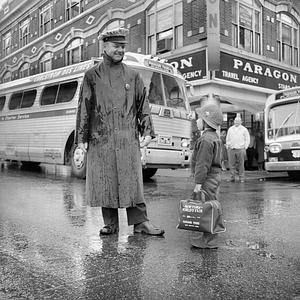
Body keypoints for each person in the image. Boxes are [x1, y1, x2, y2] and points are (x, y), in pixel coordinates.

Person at [75, 27, 164, 236]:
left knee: (132, 181)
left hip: (127, 138)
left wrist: (148, 131)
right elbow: (84, 106)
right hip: (101, 138)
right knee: (107, 180)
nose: (120, 50)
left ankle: (140, 222)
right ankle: (111, 224)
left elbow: (143, 104)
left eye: (123, 46)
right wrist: (81, 138)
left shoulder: (133, 76)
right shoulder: (91, 75)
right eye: (116, 46)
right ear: (104, 46)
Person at [189, 103, 223, 249]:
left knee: (205, 208)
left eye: (199, 118)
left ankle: (206, 242)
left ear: (206, 121)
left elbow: (203, 164)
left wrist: (198, 183)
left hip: (207, 179)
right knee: (211, 206)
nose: (197, 121)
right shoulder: (215, 137)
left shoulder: (205, 140)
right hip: (214, 177)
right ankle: (210, 240)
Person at [226, 114, 250, 182]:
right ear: (234, 121)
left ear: (241, 122)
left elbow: (247, 139)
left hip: (240, 149)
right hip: (232, 149)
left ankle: (241, 178)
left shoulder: (244, 129)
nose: (236, 122)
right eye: (235, 121)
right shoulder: (230, 129)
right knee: (231, 164)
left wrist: (245, 147)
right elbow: (227, 138)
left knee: (241, 164)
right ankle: (232, 177)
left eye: (238, 121)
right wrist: (228, 145)